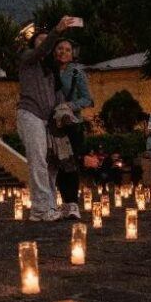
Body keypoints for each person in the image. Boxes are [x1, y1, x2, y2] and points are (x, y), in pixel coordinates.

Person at [15, 17, 82, 223]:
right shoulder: (28, 59)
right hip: (30, 115)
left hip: (47, 121)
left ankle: (49, 206)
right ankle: (40, 210)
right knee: (38, 162)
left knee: (51, 164)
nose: (45, 43)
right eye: (41, 40)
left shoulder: (51, 72)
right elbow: (39, 51)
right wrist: (57, 31)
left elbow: (57, 97)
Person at [54, 38, 93, 220]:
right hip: (54, 124)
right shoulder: (49, 71)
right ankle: (65, 202)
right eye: (60, 48)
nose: (63, 52)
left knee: (71, 163)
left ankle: (73, 204)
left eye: (67, 49)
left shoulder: (77, 73)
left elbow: (88, 99)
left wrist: (71, 105)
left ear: (72, 53)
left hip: (72, 123)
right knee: (59, 164)